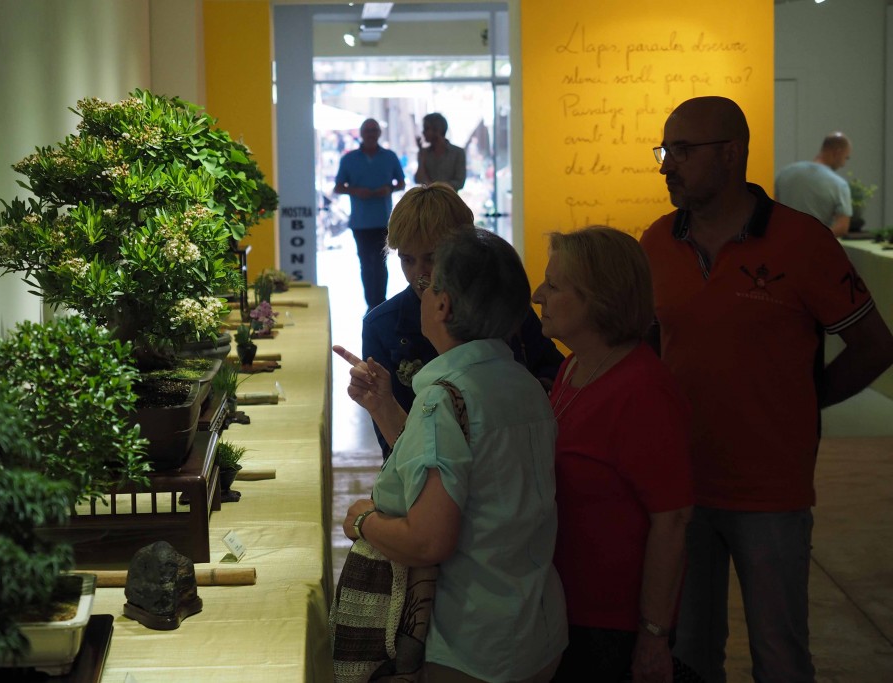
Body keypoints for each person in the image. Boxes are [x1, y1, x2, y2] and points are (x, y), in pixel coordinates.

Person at [641, 96, 893, 683]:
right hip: (683, 489)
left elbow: (876, 346)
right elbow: (645, 349)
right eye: (664, 150)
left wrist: (806, 401)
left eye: (682, 150)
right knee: (692, 653)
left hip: (771, 493)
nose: (666, 165)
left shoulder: (801, 243)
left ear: (731, 154)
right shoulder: (655, 242)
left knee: (779, 657)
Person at [334, 228, 568, 682]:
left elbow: (428, 541)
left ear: (442, 305)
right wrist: (385, 406)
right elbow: (465, 466)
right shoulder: (524, 384)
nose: (420, 290)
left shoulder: (445, 399)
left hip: (472, 642)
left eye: (430, 282)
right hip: (536, 625)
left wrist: (362, 519)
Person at [531, 227, 694, 683]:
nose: (538, 294)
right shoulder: (573, 366)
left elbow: (673, 519)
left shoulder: (643, 390)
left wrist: (653, 636)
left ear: (598, 299)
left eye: (555, 285)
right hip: (565, 606)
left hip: (610, 625)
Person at [359, 183, 564, 460]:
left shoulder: (502, 305)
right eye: (407, 260)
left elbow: (554, 377)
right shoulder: (381, 326)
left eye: (431, 258)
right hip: (421, 477)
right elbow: (392, 450)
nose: (420, 274)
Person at [334, 118, 406, 310]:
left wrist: (388, 189)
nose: (371, 134)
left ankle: (380, 302)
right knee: (366, 263)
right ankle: (371, 305)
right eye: (368, 130)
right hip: (360, 222)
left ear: (379, 133)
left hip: (383, 220)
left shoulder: (390, 157)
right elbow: (338, 187)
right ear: (362, 133)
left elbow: (401, 183)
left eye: (374, 130)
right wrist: (355, 191)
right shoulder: (349, 159)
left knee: (381, 264)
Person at [775, 132, 854, 237]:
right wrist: (816, 239)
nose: (843, 164)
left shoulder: (784, 173)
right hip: (815, 250)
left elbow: (774, 212)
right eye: (846, 158)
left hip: (783, 244)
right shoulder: (839, 185)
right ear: (837, 153)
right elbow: (842, 227)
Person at [415, 113, 467, 191]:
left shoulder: (458, 153)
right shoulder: (424, 153)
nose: (423, 132)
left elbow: (459, 182)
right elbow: (418, 179)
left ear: (437, 130)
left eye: (426, 128)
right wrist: (421, 158)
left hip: (450, 201)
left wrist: (434, 188)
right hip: (430, 201)